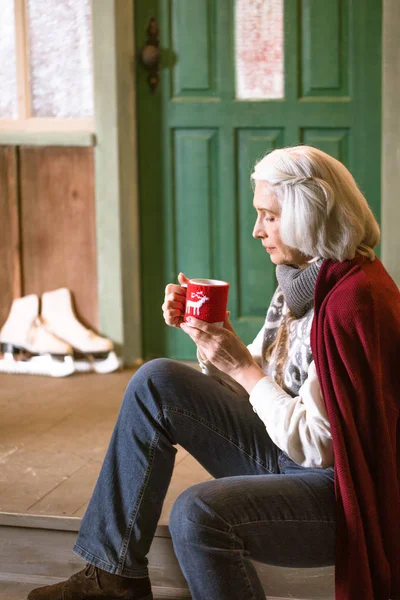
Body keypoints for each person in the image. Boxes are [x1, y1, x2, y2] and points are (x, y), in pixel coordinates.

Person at [27, 146, 400, 600]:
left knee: (198, 512)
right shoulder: (304, 278)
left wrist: (240, 366)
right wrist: (211, 339)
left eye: (269, 216)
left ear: (307, 215)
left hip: (338, 493)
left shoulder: (350, 301)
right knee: (157, 381)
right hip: (290, 456)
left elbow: (318, 447)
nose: (256, 230)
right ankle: (113, 577)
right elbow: (264, 384)